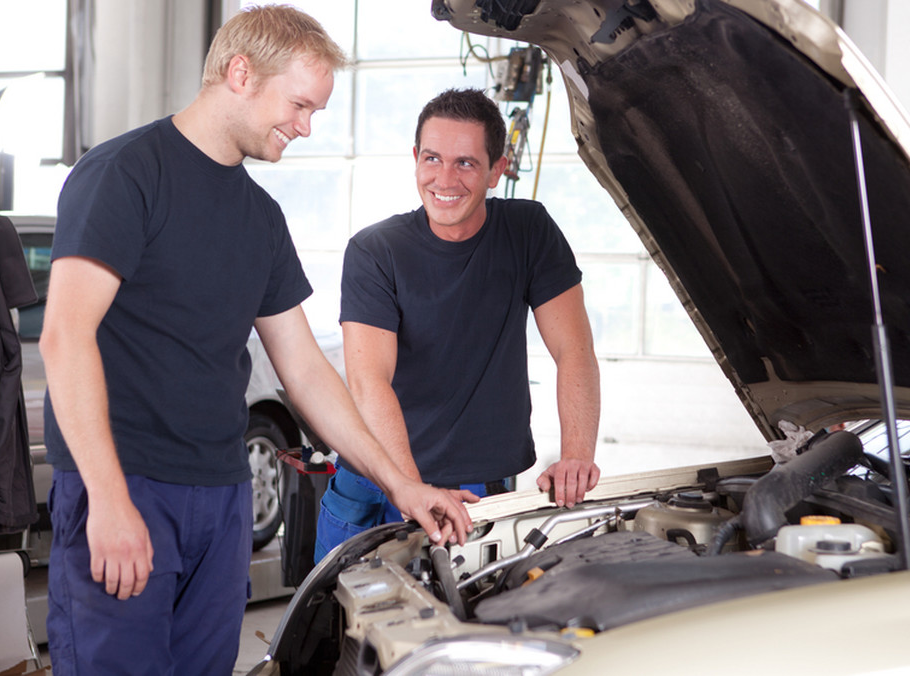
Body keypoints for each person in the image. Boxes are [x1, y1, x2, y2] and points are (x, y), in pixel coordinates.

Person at [39, 8, 472, 674]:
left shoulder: (260, 217)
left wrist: (402, 483)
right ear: (240, 73)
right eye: (299, 105)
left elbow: (304, 370)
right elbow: (66, 339)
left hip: (221, 496)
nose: (305, 126)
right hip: (128, 484)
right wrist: (108, 498)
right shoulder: (125, 175)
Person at [315, 88, 601, 560]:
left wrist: (576, 457)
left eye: (465, 163)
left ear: (497, 170)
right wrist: (408, 486)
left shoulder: (528, 232)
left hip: (479, 488)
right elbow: (369, 381)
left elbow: (574, 351)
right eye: (432, 158)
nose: (444, 178)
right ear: (415, 159)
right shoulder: (375, 251)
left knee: (473, 624)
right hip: (378, 480)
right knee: (342, 626)